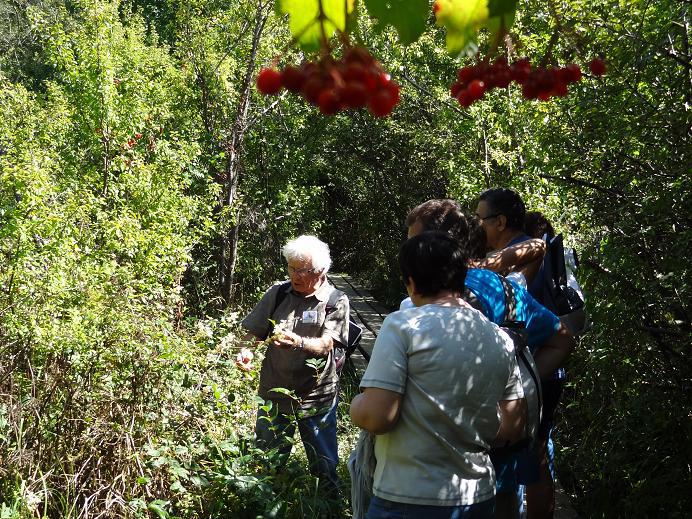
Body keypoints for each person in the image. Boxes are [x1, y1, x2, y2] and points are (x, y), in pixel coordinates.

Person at [402, 199, 576, 519]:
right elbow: (562, 338)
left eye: (414, 241)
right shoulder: (505, 289)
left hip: (436, 475)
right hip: (502, 456)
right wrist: (523, 378)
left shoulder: (425, 299)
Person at [350, 231, 526, 519]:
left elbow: (376, 418)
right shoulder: (500, 338)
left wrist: (357, 406)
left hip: (408, 496)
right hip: (478, 497)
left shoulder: (403, 325)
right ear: (461, 277)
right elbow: (512, 426)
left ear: (410, 282)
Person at [476, 191, 571, 519]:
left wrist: (486, 265)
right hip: (531, 367)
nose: (479, 225)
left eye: (481, 219)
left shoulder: (525, 248)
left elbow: (538, 246)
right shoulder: (511, 251)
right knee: (527, 453)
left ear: (499, 221)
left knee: (535, 455)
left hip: (540, 368)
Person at [240, 235, 350, 503]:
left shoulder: (335, 301)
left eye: (303, 270)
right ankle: (262, 506)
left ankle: (329, 508)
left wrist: (298, 342)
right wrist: (245, 351)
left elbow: (327, 345)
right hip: (274, 396)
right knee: (266, 463)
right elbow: (252, 332)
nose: (296, 275)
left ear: (321, 271)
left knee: (324, 467)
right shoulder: (278, 293)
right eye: (291, 268)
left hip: (316, 399)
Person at [475, 188, 546, 286]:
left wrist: (476, 267)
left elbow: (539, 245)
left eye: (479, 219)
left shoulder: (518, 257)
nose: (476, 224)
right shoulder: (522, 247)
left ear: (500, 222)